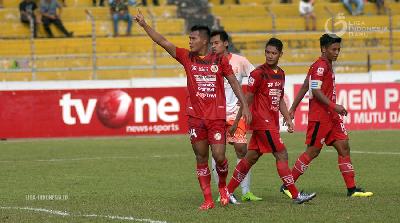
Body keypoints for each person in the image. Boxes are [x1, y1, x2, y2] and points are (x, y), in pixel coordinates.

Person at [134, 10, 251, 210]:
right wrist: (145, 25)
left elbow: (233, 81)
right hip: (195, 118)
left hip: (215, 117)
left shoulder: (219, 60)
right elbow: (163, 42)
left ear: (204, 41)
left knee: (220, 156)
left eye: (193, 38)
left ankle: (223, 186)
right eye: (189, 38)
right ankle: (207, 199)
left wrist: (245, 105)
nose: (189, 42)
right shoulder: (187, 57)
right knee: (201, 157)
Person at [281, 33, 373, 198]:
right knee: (312, 151)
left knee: (344, 147)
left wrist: (293, 108)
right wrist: (334, 106)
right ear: (324, 49)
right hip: (320, 117)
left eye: (338, 49)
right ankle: (287, 185)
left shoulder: (326, 64)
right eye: (334, 49)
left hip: (332, 117)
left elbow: (304, 86)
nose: (337, 52)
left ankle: (351, 189)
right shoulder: (320, 66)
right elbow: (314, 90)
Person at [226, 38, 316, 204]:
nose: (270, 56)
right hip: (262, 122)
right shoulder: (258, 73)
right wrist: (236, 122)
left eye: (274, 53)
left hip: (271, 122)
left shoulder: (281, 73)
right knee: (281, 153)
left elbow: (280, 98)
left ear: (280, 54)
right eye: (267, 52)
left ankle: (227, 192)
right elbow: (247, 99)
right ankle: (296, 195)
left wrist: (288, 118)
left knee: (250, 158)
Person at [209, 30, 262, 203]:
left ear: (225, 43)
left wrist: (248, 101)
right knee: (217, 154)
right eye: (211, 43)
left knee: (242, 150)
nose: (213, 46)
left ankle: (246, 191)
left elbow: (256, 77)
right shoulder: (208, 62)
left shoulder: (240, 61)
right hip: (214, 115)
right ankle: (221, 192)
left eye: (216, 42)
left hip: (234, 114)